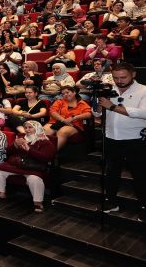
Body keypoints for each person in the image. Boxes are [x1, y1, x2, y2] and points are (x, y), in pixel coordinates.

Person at [95, 63, 146, 221]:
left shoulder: (143, 90)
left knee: (140, 175)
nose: (119, 81)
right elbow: (96, 112)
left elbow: (143, 113)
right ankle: (111, 201)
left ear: (133, 74)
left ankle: (144, 206)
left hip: (135, 139)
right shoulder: (109, 89)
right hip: (111, 137)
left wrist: (112, 107)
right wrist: (98, 105)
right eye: (116, 78)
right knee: (111, 173)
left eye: (123, 77)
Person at [0, 121, 56, 213]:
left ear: (37, 128)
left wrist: (29, 149)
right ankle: (1, 193)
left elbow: (46, 157)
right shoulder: (21, 138)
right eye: (26, 127)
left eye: (30, 127)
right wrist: (14, 145)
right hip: (19, 165)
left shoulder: (45, 142)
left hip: (33, 167)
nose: (27, 130)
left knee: (34, 179)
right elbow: (8, 152)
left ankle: (38, 202)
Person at [44, 86, 92, 151]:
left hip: (73, 125)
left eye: (67, 92)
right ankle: (40, 152)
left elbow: (88, 114)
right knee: (45, 130)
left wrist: (74, 118)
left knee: (63, 131)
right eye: (63, 94)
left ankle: (51, 154)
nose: (65, 95)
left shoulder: (81, 103)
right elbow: (52, 112)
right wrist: (63, 120)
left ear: (74, 92)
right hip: (57, 122)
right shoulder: (59, 101)